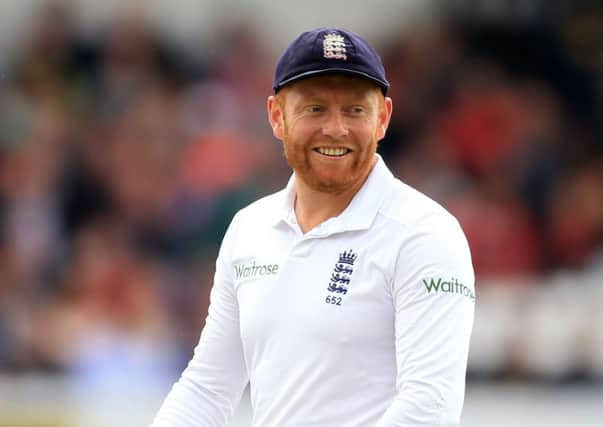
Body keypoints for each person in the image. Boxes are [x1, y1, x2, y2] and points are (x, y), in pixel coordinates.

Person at [151, 27, 475, 427]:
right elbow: (208, 387)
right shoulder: (250, 229)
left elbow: (429, 408)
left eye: (355, 110)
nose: (336, 129)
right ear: (277, 116)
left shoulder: (425, 234)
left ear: (383, 118)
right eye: (315, 109)